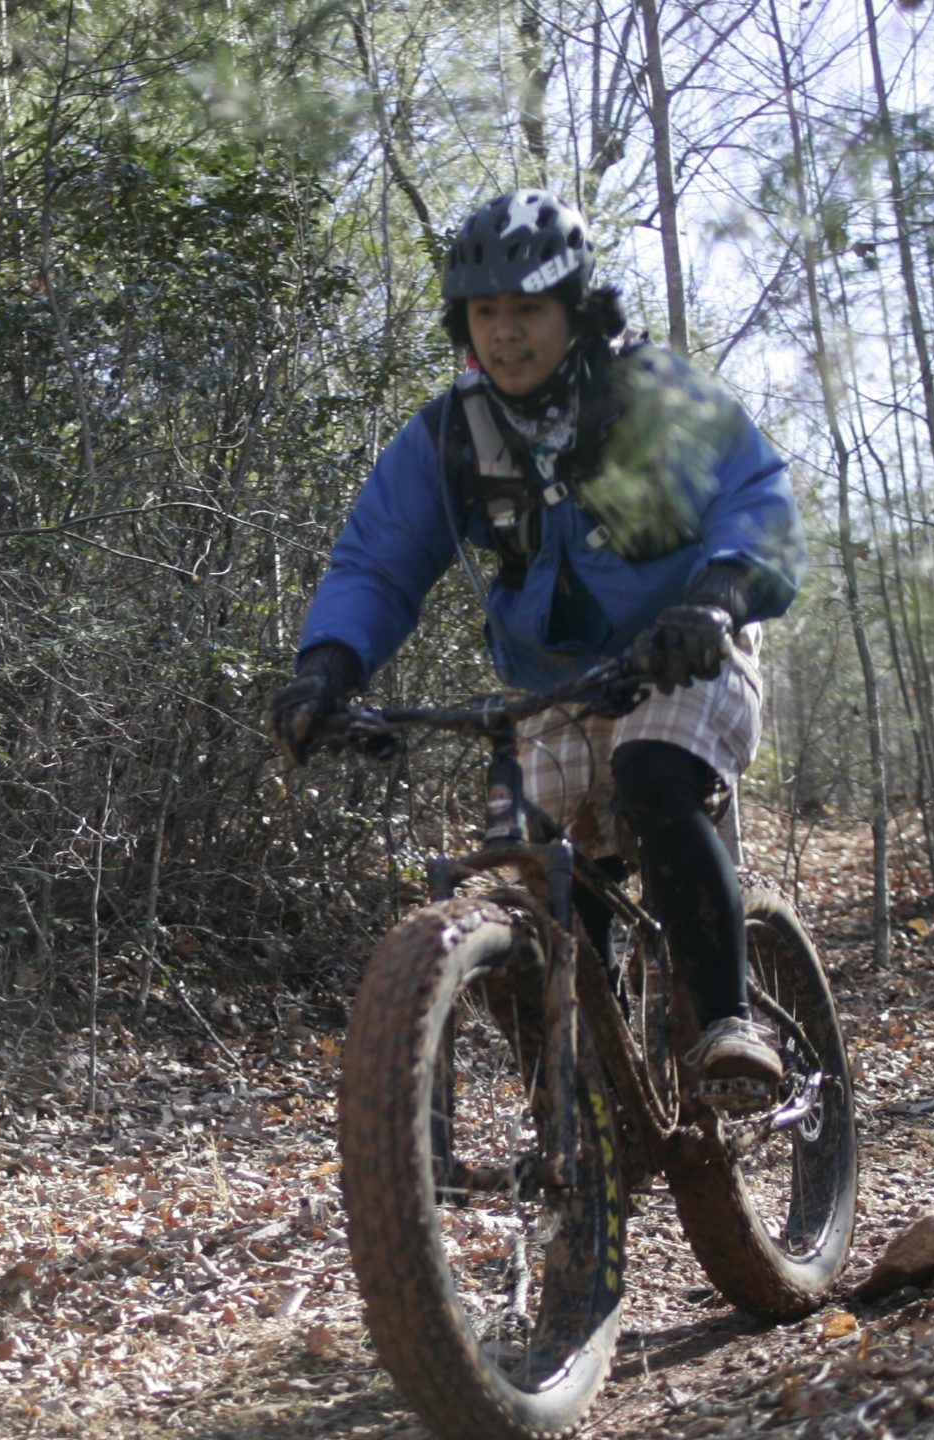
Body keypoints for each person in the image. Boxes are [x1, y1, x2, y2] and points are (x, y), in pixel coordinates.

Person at [269, 188, 806, 1110]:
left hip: (691, 646)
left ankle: (728, 1021)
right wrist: (330, 665)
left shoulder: (654, 396)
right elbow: (379, 562)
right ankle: (589, 1103)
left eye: (529, 310)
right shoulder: (452, 435)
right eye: (488, 312)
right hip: (558, 679)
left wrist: (719, 598)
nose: (507, 334)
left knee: (652, 769)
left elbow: (755, 497)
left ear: (576, 310)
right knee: (538, 875)